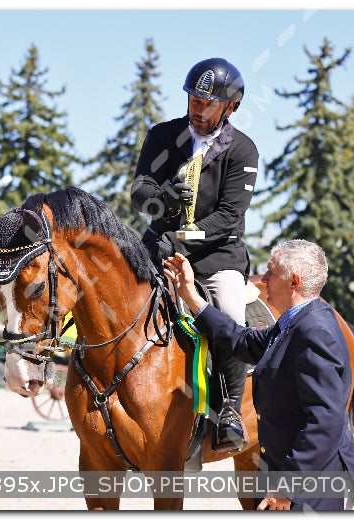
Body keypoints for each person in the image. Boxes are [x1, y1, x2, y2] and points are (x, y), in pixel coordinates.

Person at [163, 239, 354, 511]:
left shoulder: (314, 331)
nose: (264, 279)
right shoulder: (296, 322)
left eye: (271, 272)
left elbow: (325, 420)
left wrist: (289, 486)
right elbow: (240, 340)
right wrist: (192, 297)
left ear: (294, 281)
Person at [131, 57, 258, 451]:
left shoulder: (242, 150)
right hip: (159, 246)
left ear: (230, 107)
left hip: (217, 255)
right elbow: (139, 192)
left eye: (208, 104)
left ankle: (232, 412)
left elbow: (229, 216)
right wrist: (162, 200)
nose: (198, 110)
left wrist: (184, 238)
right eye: (193, 101)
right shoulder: (163, 135)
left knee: (230, 313)